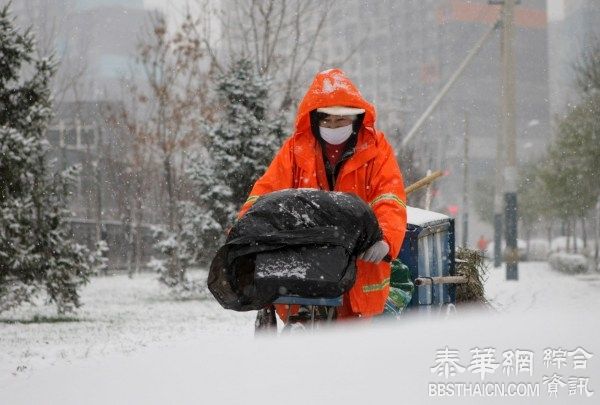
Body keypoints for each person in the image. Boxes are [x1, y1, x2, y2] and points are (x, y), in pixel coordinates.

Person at [238, 68, 407, 320]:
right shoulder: (295, 151)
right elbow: (266, 192)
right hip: (306, 262)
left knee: (351, 350)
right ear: (314, 120)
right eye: (326, 120)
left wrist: (386, 240)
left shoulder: (377, 151)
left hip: (358, 264)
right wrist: (246, 228)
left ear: (356, 119)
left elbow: (390, 198)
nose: (333, 126)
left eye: (340, 120)